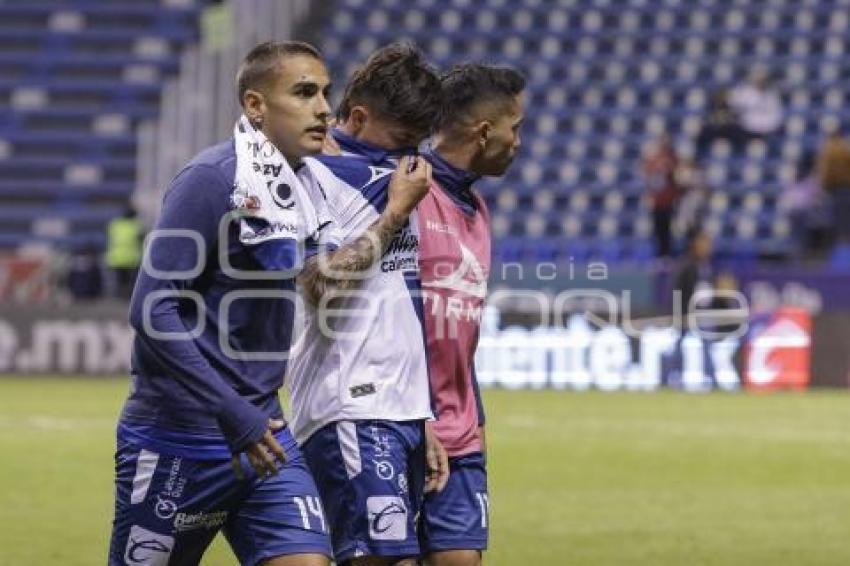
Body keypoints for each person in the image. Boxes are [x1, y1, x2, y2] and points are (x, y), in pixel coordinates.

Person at [108, 41, 428, 566]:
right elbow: (151, 310)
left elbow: (321, 279)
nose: (324, 108)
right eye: (304, 93)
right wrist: (234, 413)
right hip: (179, 436)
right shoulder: (211, 179)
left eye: (325, 93)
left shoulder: (301, 188)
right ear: (255, 106)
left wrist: (390, 214)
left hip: (265, 438)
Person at [286, 42, 446, 566]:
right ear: (359, 117)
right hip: (350, 404)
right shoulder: (318, 176)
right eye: (403, 139)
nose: (411, 153)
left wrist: (421, 415)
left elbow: (399, 301)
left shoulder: (396, 178)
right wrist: (394, 213)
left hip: (397, 408)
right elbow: (320, 284)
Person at [417, 63, 525, 566]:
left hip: (460, 436)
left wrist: (474, 417)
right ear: (485, 131)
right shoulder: (407, 192)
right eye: (515, 127)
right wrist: (415, 416)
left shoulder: (478, 209)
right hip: (398, 428)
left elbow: (461, 332)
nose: (518, 142)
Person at [641, 133, 681, 258]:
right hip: (657, 203)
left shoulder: (674, 160)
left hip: (670, 203)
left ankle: (667, 255)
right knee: (658, 231)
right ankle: (660, 256)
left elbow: (679, 178)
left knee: (668, 232)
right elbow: (648, 177)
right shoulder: (654, 161)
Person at [728, 68, 784, 138]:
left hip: (770, 130)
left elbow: (777, 114)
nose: (761, 82)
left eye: (764, 80)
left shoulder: (774, 94)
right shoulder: (743, 92)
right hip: (747, 130)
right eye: (759, 79)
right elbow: (733, 106)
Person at [105, 205, 142, 299]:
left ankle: (119, 296)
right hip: (131, 259)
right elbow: (141, 240)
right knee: (131, 282)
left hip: (116, 258)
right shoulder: (136, 225)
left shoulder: (114, 224)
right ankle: (129, 297)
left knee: (119, 281)